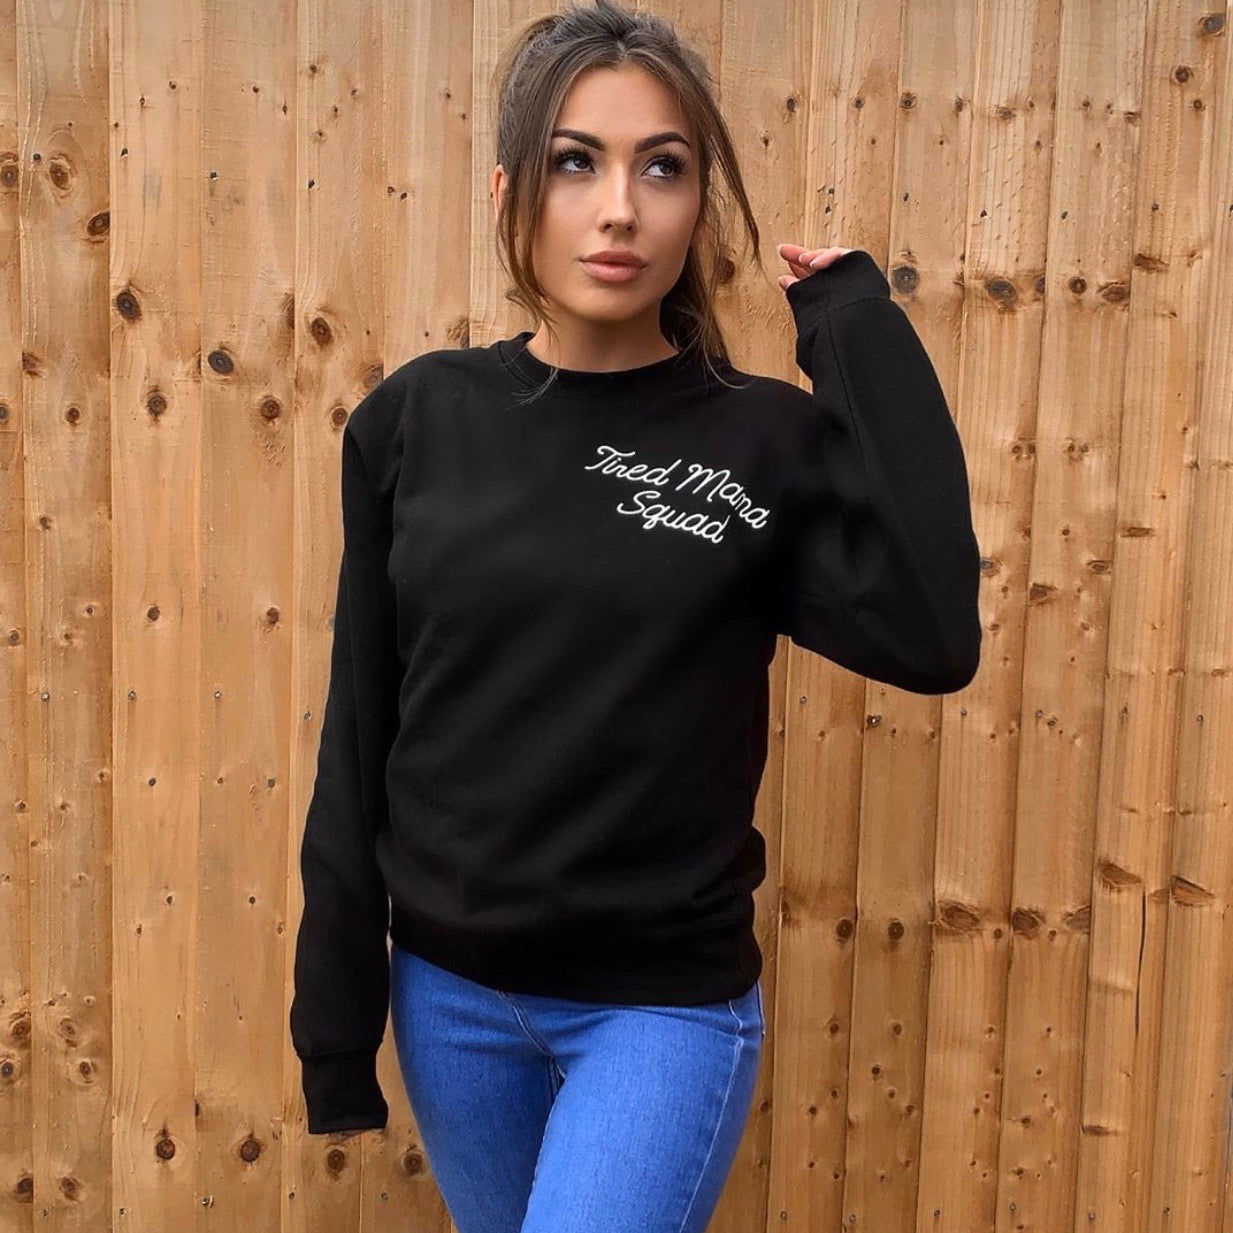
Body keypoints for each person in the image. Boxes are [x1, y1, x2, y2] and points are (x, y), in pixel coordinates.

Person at [289, 1, 982, 1230]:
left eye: (662, 168)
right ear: (511, 194)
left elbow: (930, 635)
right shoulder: (418, 421)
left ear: (699, 205)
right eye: (576, 162)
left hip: (657, 1011)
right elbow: (362, 729)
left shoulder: (760, 441)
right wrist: (338, 1028)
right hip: (450, 998)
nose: (620, 207)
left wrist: (855, 331)